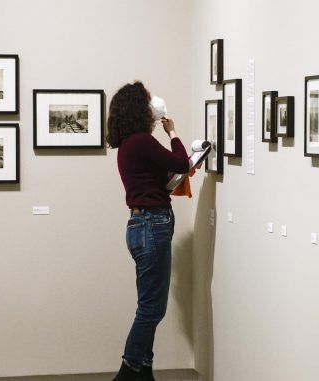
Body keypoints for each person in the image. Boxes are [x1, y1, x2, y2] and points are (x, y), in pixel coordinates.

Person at [106, 81, 190, 381]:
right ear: (137, 109)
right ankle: (128, 372)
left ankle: (144, 371)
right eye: (147, 101)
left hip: (141, 225)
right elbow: (182, 162)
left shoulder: (129, 144)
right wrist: (173, 132)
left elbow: (160, 176)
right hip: (152, 225)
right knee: (152, 310)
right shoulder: (141, 141)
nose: (152, 105)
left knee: (148, 306)